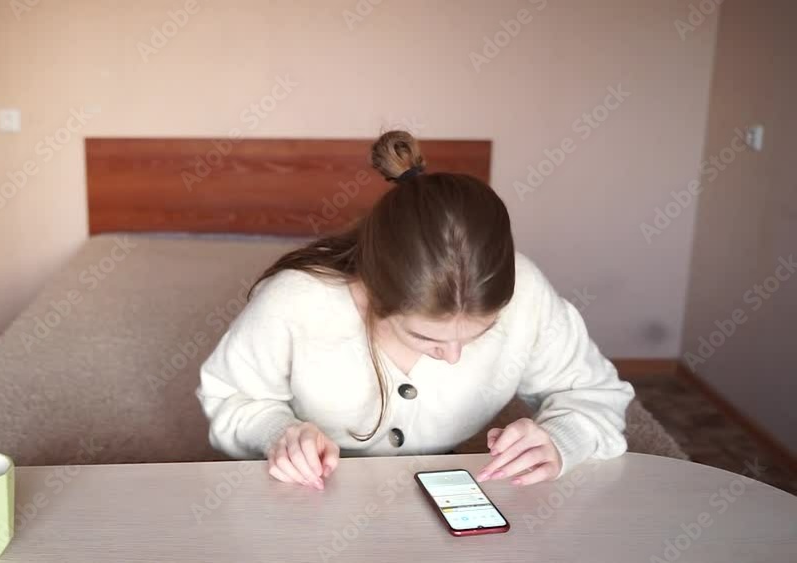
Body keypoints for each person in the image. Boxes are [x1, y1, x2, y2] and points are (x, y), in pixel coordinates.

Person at [196, 131, 634, 490]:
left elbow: (595, 394)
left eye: (480, 333)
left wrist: (561, 438)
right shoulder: (294, 301)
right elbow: (230, 396)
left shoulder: (529, 292)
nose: (454, 357)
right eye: (426, 338)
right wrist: (279, 433)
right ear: (371, 293)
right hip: (310, 499)